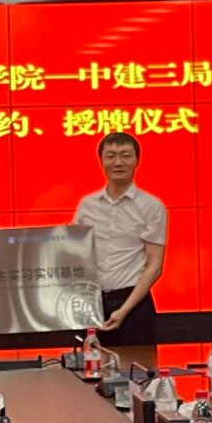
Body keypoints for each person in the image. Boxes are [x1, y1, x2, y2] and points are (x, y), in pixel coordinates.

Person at [74, 132, 166, 346]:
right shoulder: (87, 205)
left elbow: (155, 265)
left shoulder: (152, 206)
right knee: (89, 365)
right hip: (91, 305)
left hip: (134, 306)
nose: (118, 162)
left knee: (137, 366)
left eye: (125, 155)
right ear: (101, 161)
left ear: (137, 161)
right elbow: (77, 255)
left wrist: (124, 310)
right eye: (111, 156)